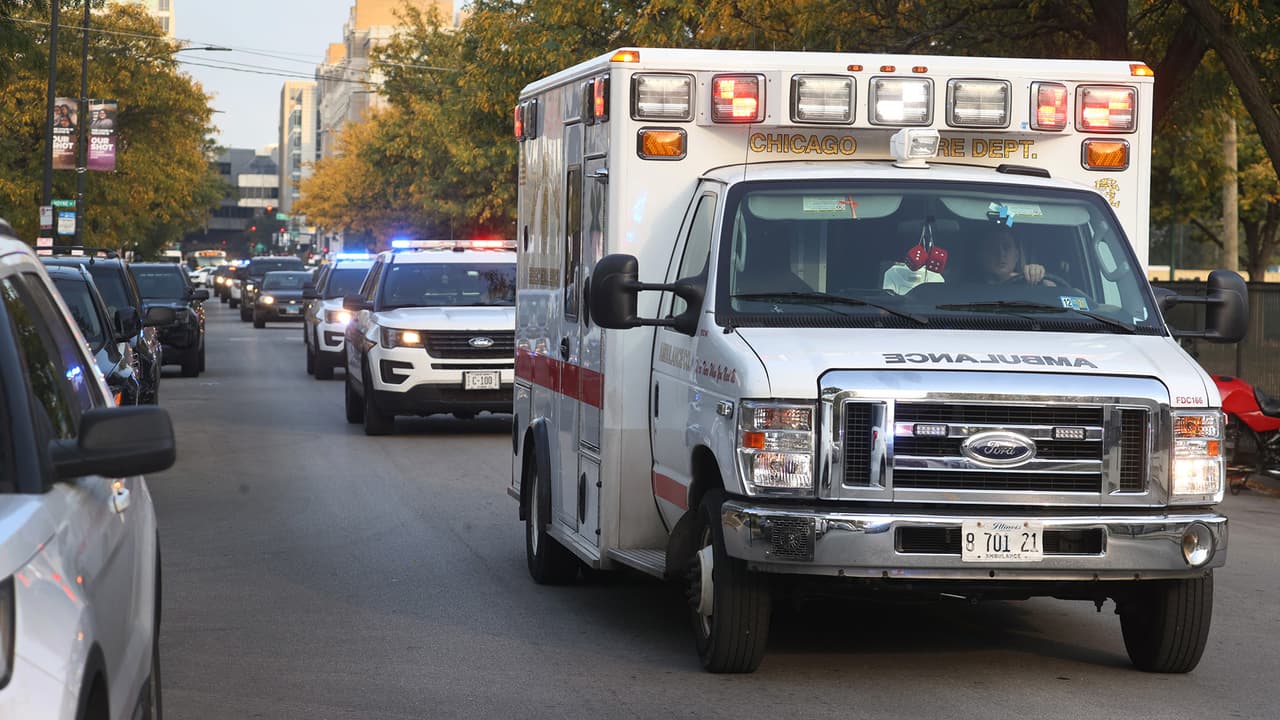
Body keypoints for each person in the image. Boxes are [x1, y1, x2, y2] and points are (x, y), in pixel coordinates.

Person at [978, 226, 1054, 286]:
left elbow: (1054, 294)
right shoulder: (969, 288)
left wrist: (1038, 277)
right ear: (983, 255)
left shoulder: (1027, 283)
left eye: (1006, 247)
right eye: (993, 247)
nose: (1001, 254)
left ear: (1017, 256)